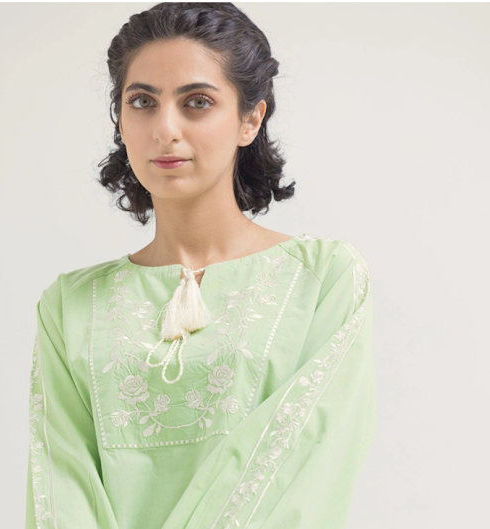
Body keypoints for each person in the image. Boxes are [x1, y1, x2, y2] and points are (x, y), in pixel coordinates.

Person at [25, 3, 376, 528]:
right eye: (142, 101)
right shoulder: (70, 306)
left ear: (250, 119)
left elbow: (302, 471)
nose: (165, 129)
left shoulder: (323, 280)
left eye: (197, 102)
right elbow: (61, 491)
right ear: (121, 120)